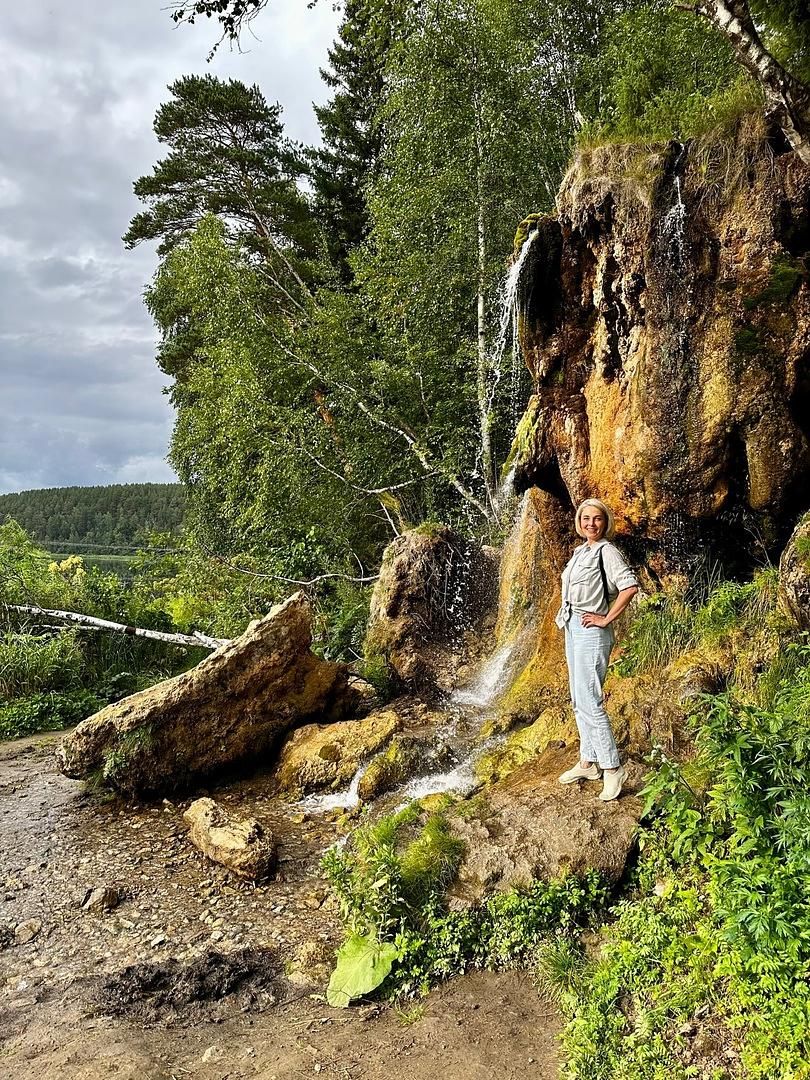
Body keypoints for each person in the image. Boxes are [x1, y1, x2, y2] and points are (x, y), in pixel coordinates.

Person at [555, 498, 639, 801]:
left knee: (590, 700)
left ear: (606, 523)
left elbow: (629, 586)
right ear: (579, 521)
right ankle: (588, 762)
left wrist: (606, 618)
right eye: (586, 518)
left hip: (593, 631)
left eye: (597, 519)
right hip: (573, 626)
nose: (591, 523)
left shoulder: (607, 552)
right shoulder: (581, 551)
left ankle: (613, 767)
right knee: (578, 699)